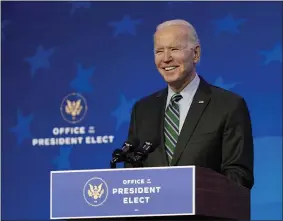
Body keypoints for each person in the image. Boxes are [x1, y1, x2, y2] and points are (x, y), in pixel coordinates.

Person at [125, 19, 254, 190]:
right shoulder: (142, 110)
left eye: (174, 49)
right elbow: (131, 175)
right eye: (159, 51)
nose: (166, 59)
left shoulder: (228, 105)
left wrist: (189, 192)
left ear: (196, 54)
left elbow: (239, 175)